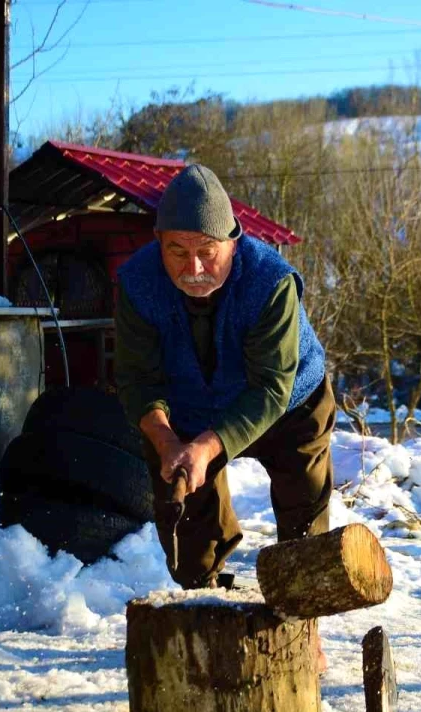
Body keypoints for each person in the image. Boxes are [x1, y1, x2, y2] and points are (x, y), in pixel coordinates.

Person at [115, 164, 335, 590]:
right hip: (193, 401)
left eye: (207, 250)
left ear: (233, 242)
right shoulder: (137, 283)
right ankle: (205, 609)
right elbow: (137, 379)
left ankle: (305, 626)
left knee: (303, 521)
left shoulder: (270, 282)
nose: (193, 266)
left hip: (290, 401)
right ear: (158, 242)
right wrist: (169, 443)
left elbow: (270, 389)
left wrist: (208, 445)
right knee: (188, 527)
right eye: (177, 251)